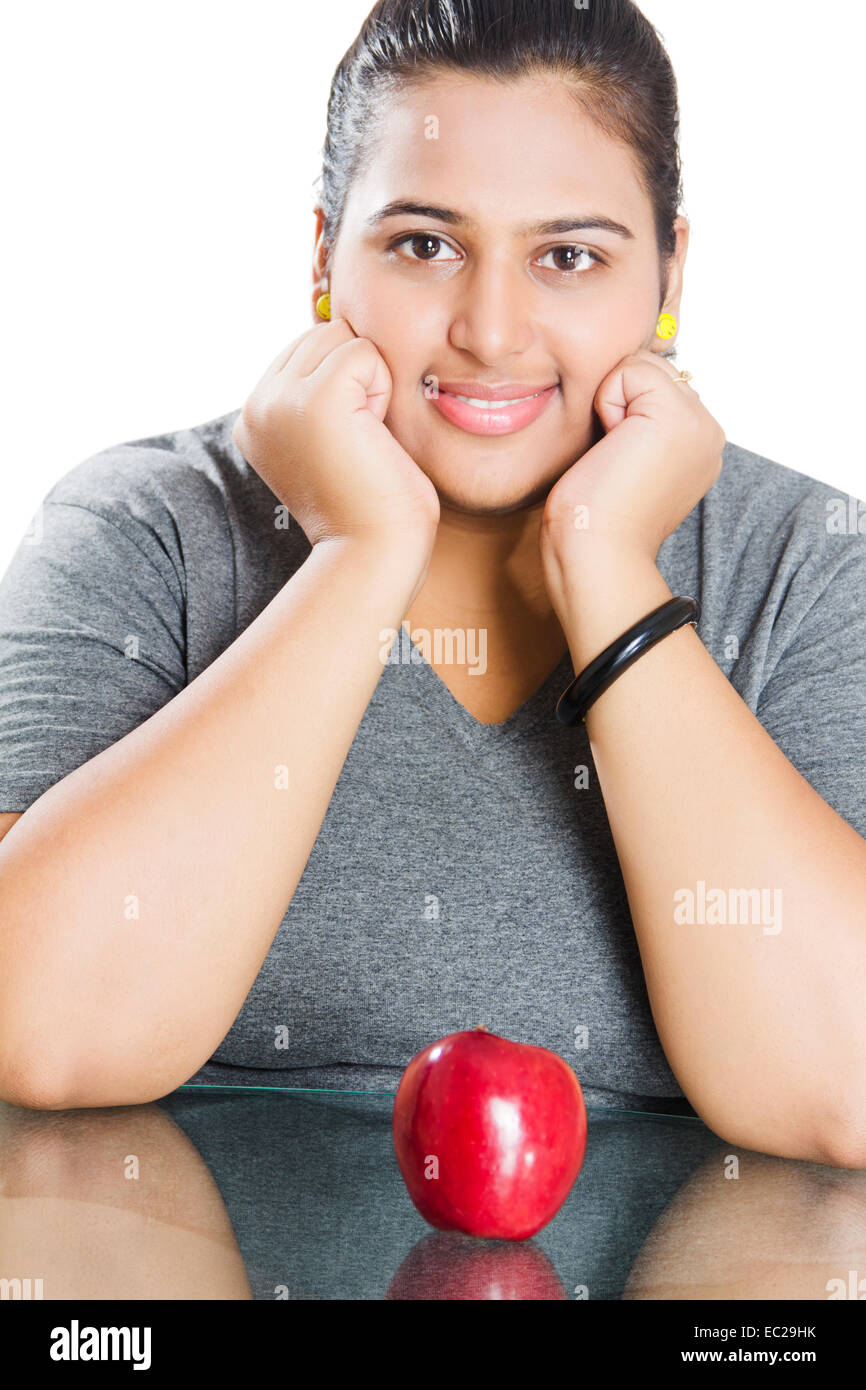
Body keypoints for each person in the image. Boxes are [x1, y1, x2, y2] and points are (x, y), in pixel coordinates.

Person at [0, 0, 864, 1167]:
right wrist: (358, 555)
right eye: (424, 244)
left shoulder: (802, 562)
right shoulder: (146, 527)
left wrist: (605, 567)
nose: (492, 331)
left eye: (568, 256)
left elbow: (841, 1091)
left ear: (669, 269)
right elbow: (38, 1035)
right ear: (321, 256)